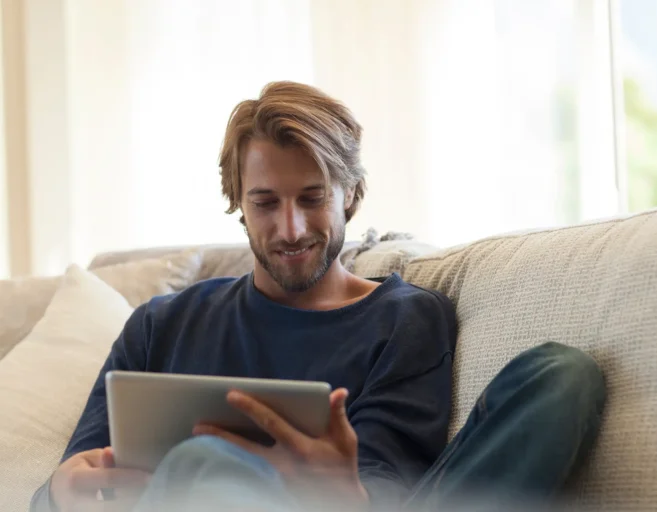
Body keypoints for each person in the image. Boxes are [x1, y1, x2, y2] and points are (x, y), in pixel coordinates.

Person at [30, 81, 606, 512]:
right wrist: (61, 490)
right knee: (202, 459)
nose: (291, 229)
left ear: (350, 196)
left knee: (561, 375)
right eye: (265, 202)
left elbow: (391, 481)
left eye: (311, 198)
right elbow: (68, 479)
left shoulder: (405, 320)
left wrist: (342, 492)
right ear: (236, 199)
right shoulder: (159, 325)